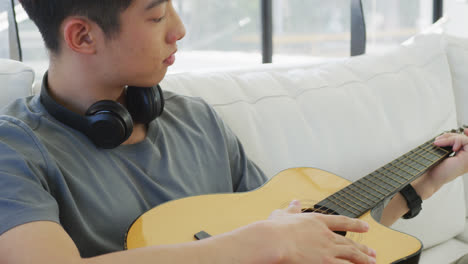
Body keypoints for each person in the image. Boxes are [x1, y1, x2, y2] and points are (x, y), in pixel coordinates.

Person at [0, 1, 467, 263]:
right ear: (83, 37)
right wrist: (263, 242)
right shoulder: (15, 147)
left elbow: (307, 233)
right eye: (157, 14)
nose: (179, 29)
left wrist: (431, 177)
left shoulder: (196, 120)